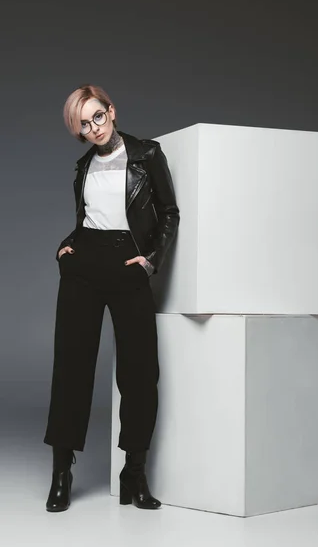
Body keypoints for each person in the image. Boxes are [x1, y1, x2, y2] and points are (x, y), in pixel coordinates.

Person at [43, 84, 180, 512]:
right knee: (71, 368)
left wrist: (151, 260)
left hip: (127, 263)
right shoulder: (82, 166)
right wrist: (66, 245)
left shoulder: (147, 155)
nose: (93, 128)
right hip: (84, 266)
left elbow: (169, 213)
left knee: (140, 372)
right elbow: (86, 219)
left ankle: (133, 472)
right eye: (84, 124)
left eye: (97, 116)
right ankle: (61, 473)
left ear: (112, 111)